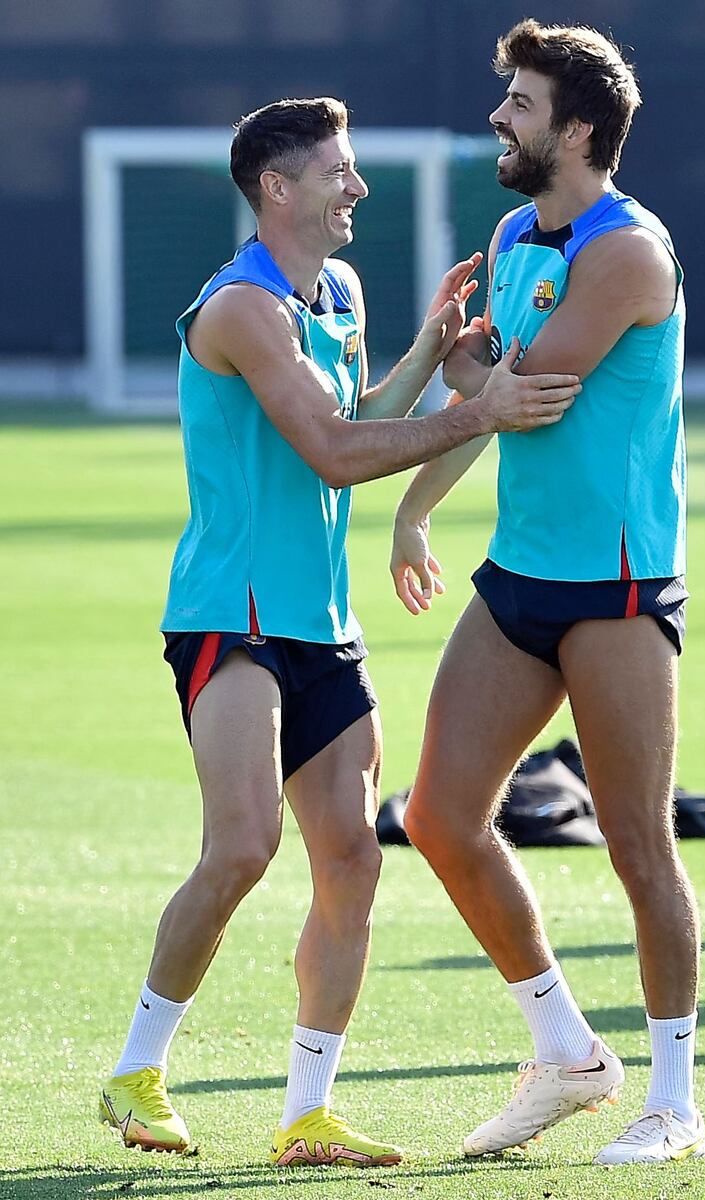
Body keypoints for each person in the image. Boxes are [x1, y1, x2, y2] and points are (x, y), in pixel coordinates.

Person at [98, 96, 581, 1168]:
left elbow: (354, 418)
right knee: (241, 847)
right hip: (233, 616)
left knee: (352, 859)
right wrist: (476, 412)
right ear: (278, 190)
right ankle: (136, 1072)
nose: (356, 187)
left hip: (322, 624)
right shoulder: (240, 311)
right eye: (336, 172)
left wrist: (421, 356)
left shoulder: (340, 291)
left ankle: (305, 1112)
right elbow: (327, 452)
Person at [391, 20, 705, 1167]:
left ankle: (672, 1101)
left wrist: (467, 362)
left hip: (616, 590)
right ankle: (568, 1052)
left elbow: (525, 395)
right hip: (519, 576)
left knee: (634, 843)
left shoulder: (627, 251)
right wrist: (416, 507)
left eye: (518, 104)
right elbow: (489, 395)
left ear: (576, 129)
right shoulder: (516, 230)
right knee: (433, 816)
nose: (497, 119)